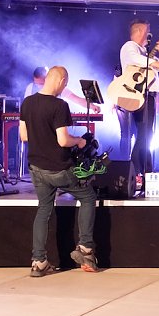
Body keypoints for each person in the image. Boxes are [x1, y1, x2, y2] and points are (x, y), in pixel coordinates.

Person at [19, 66, 98, 277]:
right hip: (59, 168)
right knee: (89, 197)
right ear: (61, 80)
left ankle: (39, 262)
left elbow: (24, 136)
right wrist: (80, 141)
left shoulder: (27, 102)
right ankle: (86, 249)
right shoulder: (59, 105)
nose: (65, 87)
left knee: (44, 209)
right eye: (65, 83)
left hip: (36, 168)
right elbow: (63, 140)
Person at [116, 19, 159, 180]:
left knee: (146, 135)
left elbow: (157, 68)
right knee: (143, 135)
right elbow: (139, 60)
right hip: (138, 96)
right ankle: (135, 172)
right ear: (141, 31)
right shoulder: (130, 47)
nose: (149, 34)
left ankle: (146, 170)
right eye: (147, 30)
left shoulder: (143, 51)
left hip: (148, 97)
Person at [25, 66, 100, 113]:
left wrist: (92, 106)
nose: (39, 87)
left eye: (41, 84)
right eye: (37, 84)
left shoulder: (58, 88)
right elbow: (26, 109)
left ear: (48, 79)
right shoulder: (30, 88)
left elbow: (77, 99)